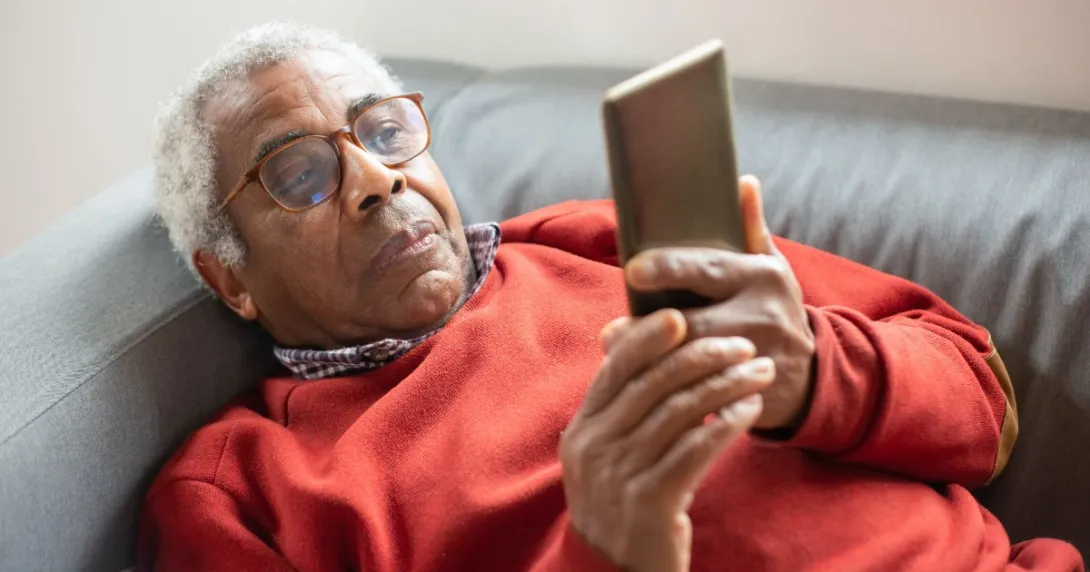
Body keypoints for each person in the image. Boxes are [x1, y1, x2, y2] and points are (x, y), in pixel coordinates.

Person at [137, 22, 1083, 572]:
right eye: (300, 175)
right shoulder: (243, 489)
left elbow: (981, 408)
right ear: (230, 280)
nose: (376, 181)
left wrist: (813, 375)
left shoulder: (591, 238)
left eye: (384, 132)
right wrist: (604, 551)